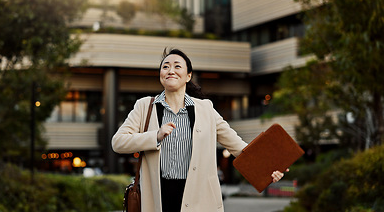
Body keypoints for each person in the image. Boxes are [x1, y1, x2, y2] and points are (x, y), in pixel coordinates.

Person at [112, 48, 286, 212]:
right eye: (166, 67)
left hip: (198, 198)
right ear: (160, 75)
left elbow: (238, 147)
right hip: (157, 198)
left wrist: (268, 167)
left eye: (177, 66)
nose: (170, 70)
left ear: (188, 76)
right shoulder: (144, 106)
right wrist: (155, 136)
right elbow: (118, 142)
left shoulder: (206, 109)